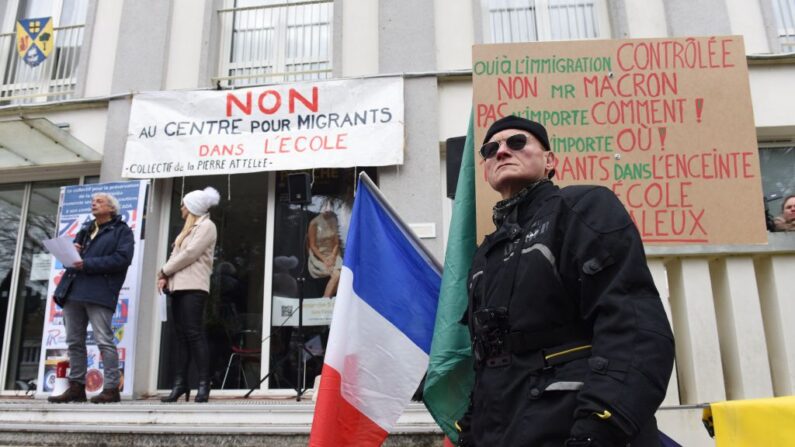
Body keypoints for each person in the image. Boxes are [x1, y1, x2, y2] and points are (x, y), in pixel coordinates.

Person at [457, 116, 675, 446]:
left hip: (574, 426)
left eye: (516, 142)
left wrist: (600, 425)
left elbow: (632, 325)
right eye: (491, 149)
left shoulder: (583, 207)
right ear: (486, 168)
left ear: (550, 161)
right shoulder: (484, 255)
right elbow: (487, 360)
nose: (501, 151)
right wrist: (471, 431)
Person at [48, 193, 135, 404]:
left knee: (104, 340)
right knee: (74, 342)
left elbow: (122, 259)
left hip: (99, 292)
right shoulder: (85, 229)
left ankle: (112, 388)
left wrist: (87, 263)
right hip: (74, 290)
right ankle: (76, 387)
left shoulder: (122, 231)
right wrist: (73, 251)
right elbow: (74, 260)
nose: (93, 204)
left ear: (111, 208)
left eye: (99, 201)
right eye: (92, 201)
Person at [157, 187, 220, 403]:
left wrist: (165, 270)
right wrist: (165, 276)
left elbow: (190, 253)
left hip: (194, 286)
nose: (181, 208)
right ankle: (180, 384)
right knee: (181, 337)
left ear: (192, 207)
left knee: (194, 334)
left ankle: (204, 383)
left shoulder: (207, 226)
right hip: (177, 286)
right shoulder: (186, 230)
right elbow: (177, 253)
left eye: (184, 204)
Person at [306, 208, 342, 298]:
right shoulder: (314, 223)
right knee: (337, 275)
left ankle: (327, 301)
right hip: (319, 256)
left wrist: (333, 257)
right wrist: (324, 259)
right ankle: (324, 301)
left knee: (345, 275)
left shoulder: (334, 220)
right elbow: (312, 246)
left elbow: (337, 243)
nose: (328, 209)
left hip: (333, 254)